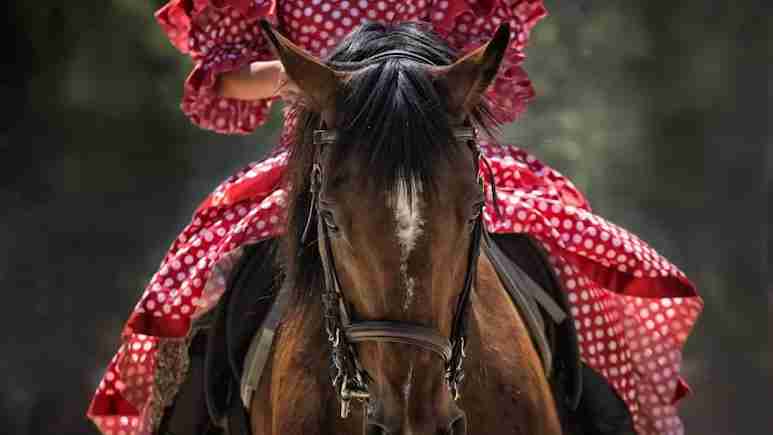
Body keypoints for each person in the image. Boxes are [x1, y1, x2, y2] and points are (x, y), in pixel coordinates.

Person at [87, 1, 703, 434]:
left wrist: (410, 82)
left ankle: (594, 409)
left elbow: (490, 64)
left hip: (433, 148)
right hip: (330, 154)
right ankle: (197, 412)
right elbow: (228, 81)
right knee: (210, 287)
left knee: (568, 263)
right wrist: (327, 81)